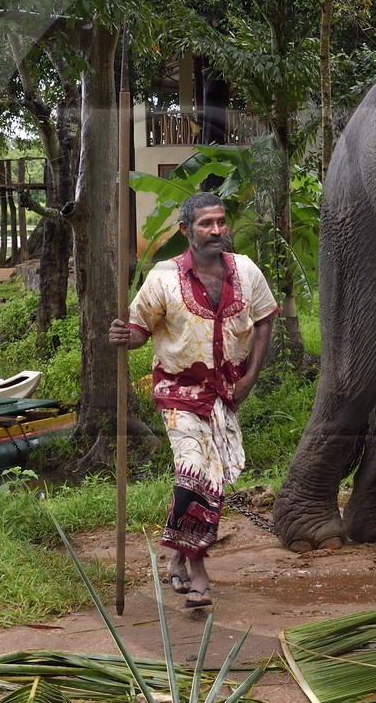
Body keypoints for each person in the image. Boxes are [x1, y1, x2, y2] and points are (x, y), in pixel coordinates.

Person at [108, 192, 277, 608]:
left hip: (225, 395)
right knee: (195, 471)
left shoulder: (246, 271)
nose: (216, 230)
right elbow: (139, 331)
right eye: (205, 223)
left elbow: (265, 320)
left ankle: (176, 554)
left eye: (220, 222)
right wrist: (123, 336)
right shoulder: (163, 277)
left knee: (212, 479)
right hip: (179, 393)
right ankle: (198, 569)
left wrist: (250, 378)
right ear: (186, 230)